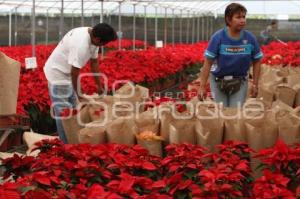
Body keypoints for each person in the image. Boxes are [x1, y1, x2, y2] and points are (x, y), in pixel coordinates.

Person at [44, 23, 117, 143]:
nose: (103, 46)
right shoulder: (81, 45)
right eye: (103, 44)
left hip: (67, 73)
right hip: (58, 73)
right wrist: (79, 94)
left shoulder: (93, 36)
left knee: (74, 109)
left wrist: (99, 85)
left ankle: (75, 140)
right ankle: (66, 144)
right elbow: (74, 72)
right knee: (64, 114)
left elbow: (94, 62)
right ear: (97, 39)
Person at [198, 3, 263, 107]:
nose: (242, 20)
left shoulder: (250, 38)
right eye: (238, 17)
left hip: (240, 82)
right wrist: (202, 86)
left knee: (235, 113)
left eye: (244, 17)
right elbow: (208, 62)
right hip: (218, 81)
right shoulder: (218, 37)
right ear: (228, 20)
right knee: (221, 112)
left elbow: (257, 61)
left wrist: (255, 84)